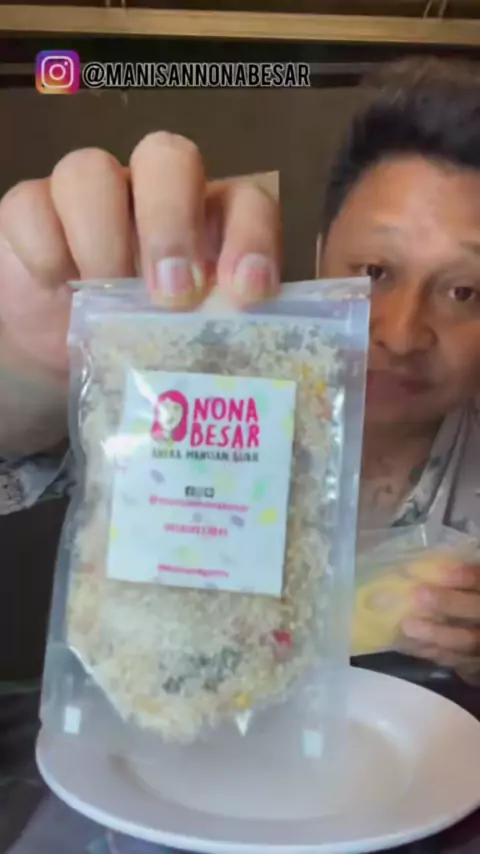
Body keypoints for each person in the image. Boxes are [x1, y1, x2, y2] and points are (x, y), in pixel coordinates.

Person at [0, 56, 479, 690]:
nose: (401, 333)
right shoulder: (191, 381)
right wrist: (24, 365)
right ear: (321, 256)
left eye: (464, 292)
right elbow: (15, 451)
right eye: (374, 272)